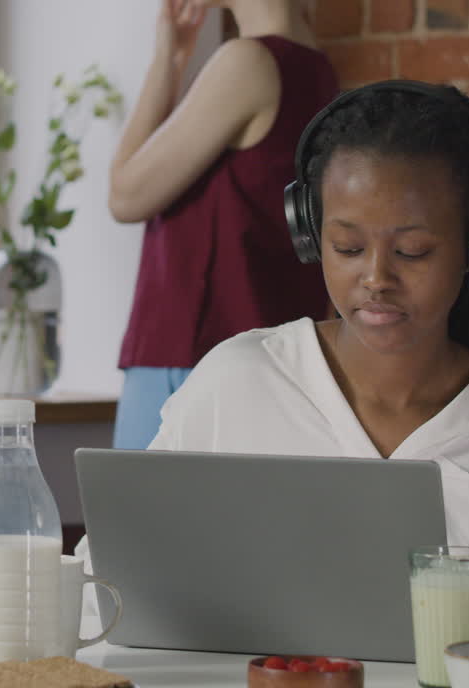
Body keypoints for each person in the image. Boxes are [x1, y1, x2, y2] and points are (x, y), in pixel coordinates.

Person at [148, 80, 469, 643]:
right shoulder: (235, 383)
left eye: (412, 252)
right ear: (310, 234)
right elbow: (113, 587)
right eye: (347, 248)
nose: (376, 278)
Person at [107, 0, 338, 450]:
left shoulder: (247, 62)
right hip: (266, 362)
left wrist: (166, 62)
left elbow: (125, 196)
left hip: (192, 358)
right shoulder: (317, 69)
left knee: (136, 520)